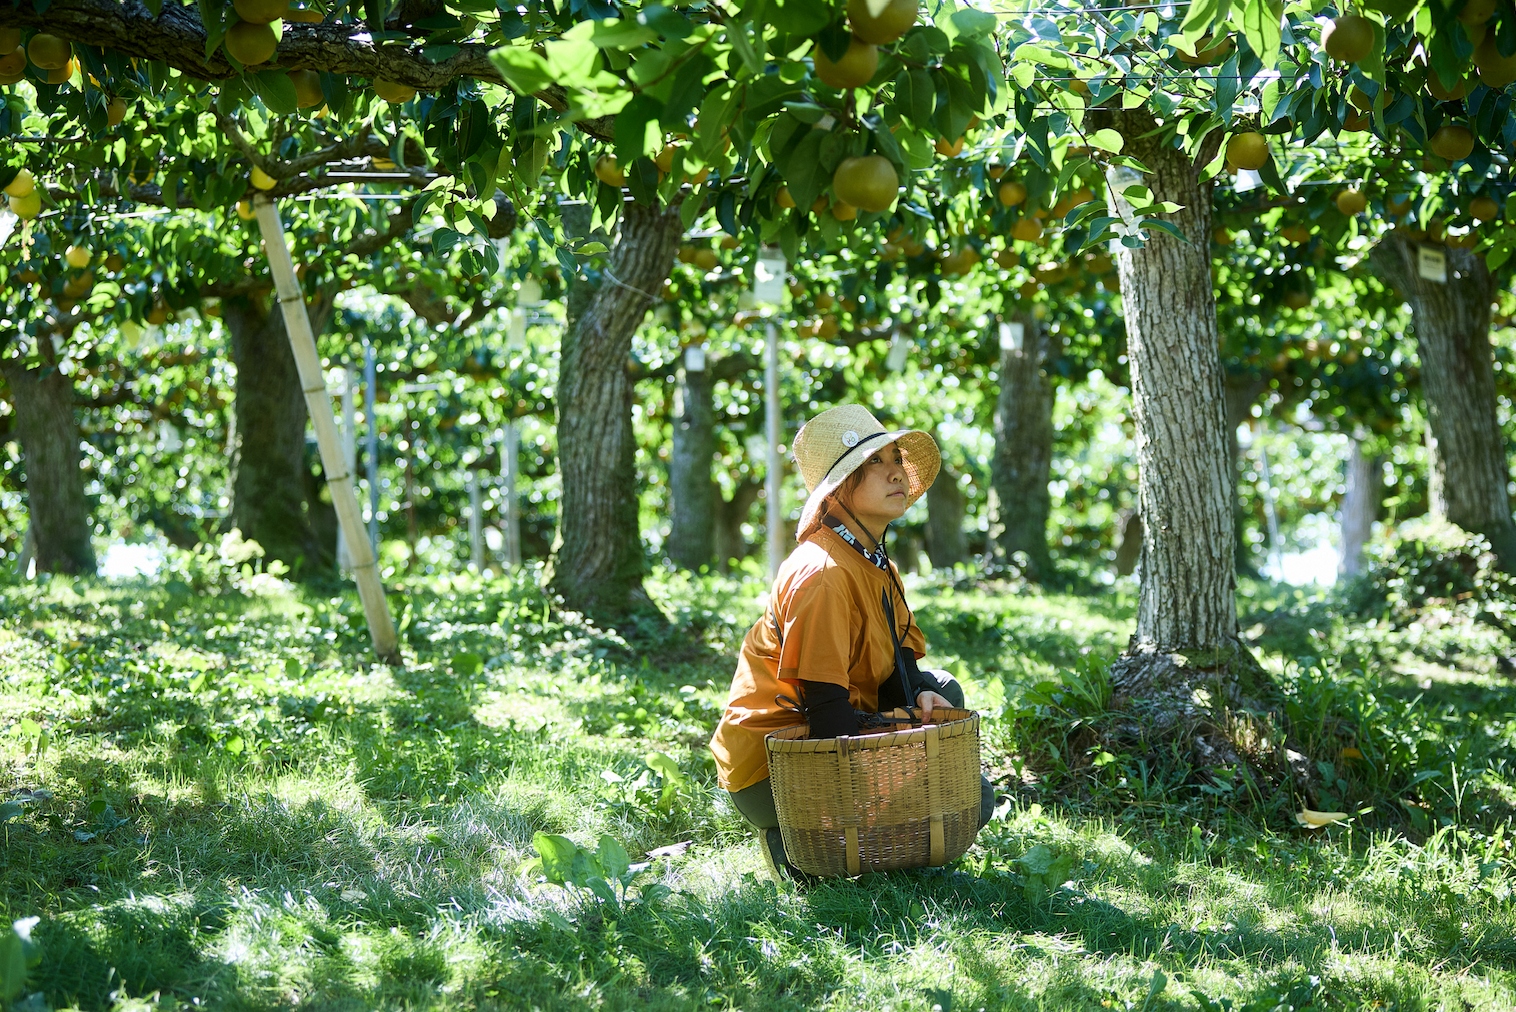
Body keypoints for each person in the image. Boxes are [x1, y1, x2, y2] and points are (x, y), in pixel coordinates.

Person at [708, 403, 996, 876]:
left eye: (896, 458)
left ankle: (854, 843)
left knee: (943, 693)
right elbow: (826, 715)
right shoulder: (823, 574)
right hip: (780, 762)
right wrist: (902, 773)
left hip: (834, 726)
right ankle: (798, 843)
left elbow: (899, 670)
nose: (896, 472)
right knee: (968, 797)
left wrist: (917, 699)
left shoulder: (876, 560)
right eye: (873, 463)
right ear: (840, 487)